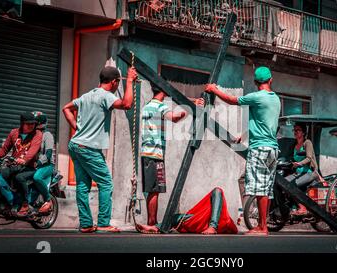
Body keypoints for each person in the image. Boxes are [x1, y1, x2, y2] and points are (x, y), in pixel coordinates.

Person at [204, 66, 280, 235]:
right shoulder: (275, 99)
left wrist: (214, 89)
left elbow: (232, 100)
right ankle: (262, 225)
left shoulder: (256, 97)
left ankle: (262, 227)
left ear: (255, 82)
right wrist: (244, 135)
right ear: (270, 80)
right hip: (272, 149)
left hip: (259, 149)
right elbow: (263, 123)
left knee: (259, 190)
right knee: (266, 189)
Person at [62, 66, 138, 233]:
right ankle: (103, 223)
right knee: (106, 183)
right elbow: (126, 104)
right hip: (88, 148)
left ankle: (87, 224)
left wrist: (77, 128)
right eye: (119, 82)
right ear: (114, 82)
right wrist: (130, 81)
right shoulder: (106, 96)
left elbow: (66, 108)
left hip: (75, 145)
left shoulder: (86, 96)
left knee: (82, 185)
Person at [140, 84, 204, 229]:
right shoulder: (159, 106)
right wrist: (190, 107)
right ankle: (152, 223)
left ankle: (152, 222)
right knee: (154, 189)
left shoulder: (147, 106)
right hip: (154, 153)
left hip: (148, 152)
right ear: (162, 90)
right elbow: (175, 117)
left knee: (153, 189)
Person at [0, 112, 43, 216]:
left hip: (30, 167)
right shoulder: (14, 133)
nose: (31, 126)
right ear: (22, 123)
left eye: (33, 123)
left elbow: (33, 150)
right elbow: (4, 150)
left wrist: (24, 159)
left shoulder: (37, 134)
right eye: (28, 123)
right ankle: (6, 201)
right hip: (14, 165)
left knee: (19, 177)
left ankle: (25, 203)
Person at [136, 187, 238, 235]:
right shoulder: (198, 217)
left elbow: (233, 229)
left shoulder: (226, 221)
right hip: (200, 220)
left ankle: (213, 226)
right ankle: (156, 227)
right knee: (175, 217)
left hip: (215, 222)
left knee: (217, 190)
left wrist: (212, 226)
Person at [284, 123, 324, 216]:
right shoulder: (295, 145)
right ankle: (291, 207)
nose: (295, 132)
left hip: (310, 172)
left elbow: (309, 158)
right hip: (298, 173)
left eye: (298, 130)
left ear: (303, 132)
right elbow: (294, 159)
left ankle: (302, 207)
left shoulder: (307, 142)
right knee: (283, 183)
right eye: (294, 130)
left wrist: (299, 163)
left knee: (292, 185)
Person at [25, 111, 55, 214]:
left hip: (47, 165)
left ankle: (48, 199)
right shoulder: (31, 136)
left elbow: (49, 154)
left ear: (39, 123)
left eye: (34, 123)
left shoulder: (47, 135)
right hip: (34, 166)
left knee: (37, 177)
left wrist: (38, 163)